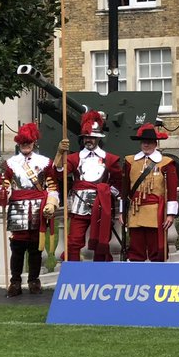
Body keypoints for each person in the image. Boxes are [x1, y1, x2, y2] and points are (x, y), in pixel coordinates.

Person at [0, 123, 58, 295]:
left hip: (38, 208)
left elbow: (52, 187)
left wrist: (51, 203)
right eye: (23, 142)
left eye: (28, 142)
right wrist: (2, 194)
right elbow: (2, 186)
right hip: (17, 208)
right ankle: (15, 282)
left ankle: (34, 280)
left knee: (35, 247)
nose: (25, 145)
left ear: (34, 142)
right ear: (18, 143)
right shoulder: (9, 164)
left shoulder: (45, 162)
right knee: (17, 247)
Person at [53, 110, 123, 262]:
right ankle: (73, 271)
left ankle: (99, 272)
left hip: (102, 205)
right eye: (86, 137)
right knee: (73, 241)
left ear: (98, 138)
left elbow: (118, 182)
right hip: (79, 204)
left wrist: (107, 192)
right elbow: (59, 173)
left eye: (91, 137)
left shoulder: (110, 159)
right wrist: (59, 153)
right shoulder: (74, 158)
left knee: (101, 242)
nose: (88, 140)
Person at [125, 124, 179, 262]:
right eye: (144, 142)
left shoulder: (166, 163)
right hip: (135, 211)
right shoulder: (130, 161)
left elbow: (172, 190)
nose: (146, 145)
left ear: (155, 143)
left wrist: (170, 214)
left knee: (156, 251)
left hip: (155, 213)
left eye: (149, 142)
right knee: (135, 251)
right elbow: (124, 188)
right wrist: (122, 212)